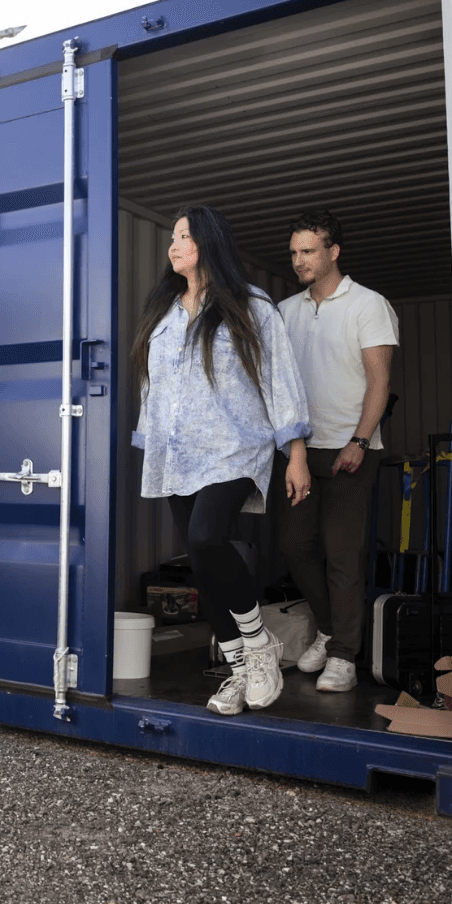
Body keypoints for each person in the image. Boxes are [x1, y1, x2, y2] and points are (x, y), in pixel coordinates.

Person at [133, 206, 313, 716]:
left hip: (235, 447)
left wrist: (294, 453)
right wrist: (152, 445)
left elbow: (282, 379)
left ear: (210, 243)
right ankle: (239, 670)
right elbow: (153, 383)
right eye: (172, 237)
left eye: (185, 236)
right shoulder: (165, 311)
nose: (174, 245)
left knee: (205, 537)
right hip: (177, 451)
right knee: (203, 566)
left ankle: (259, 648)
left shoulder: (251, 305)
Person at [273, 210, 399, 693]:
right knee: (295, 547)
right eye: (294, 252)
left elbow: (380, 381)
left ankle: (345, 655)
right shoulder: (286, 310)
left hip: (352, 450)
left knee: (342, 553)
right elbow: (280, 385)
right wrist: (291, 447)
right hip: (300, 451)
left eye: (308, 251)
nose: (299, 260)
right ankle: (329, 630)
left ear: (333, 252)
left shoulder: (369, 305)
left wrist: (360, 440)